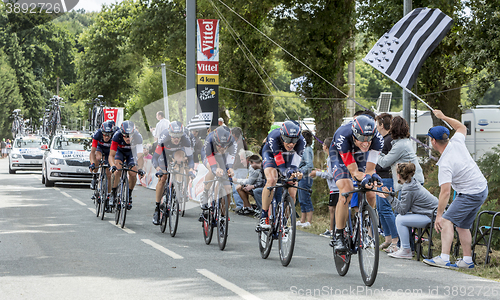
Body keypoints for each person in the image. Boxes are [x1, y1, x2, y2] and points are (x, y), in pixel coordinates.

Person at [423, 110, 488, 269]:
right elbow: (461, 127)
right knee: (462, 226)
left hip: (470, 193)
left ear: (433, 141)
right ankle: (467, 261)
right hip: (481, 188)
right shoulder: (456, 142)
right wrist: (444, 116)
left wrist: (439, 215)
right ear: (446, 137)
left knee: (446, 220)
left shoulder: (445, 163)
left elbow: (445, 192)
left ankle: (444, 258)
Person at [330, 114, 384, 252]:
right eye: (361, 139)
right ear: (354, 135)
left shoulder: (377, 139)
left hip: (360, 155)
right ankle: (339, 235)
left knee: (371, 192)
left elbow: (370, 170)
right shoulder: (343, 135)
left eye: (368, 139)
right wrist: (362, 176)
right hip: (340, 155)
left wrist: (373, 177)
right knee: (346, 190)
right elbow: (354, 172)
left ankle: (364, 226)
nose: (365, 143)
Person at [379, 162, 439, 259]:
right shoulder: (412, 183)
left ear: (398, 175)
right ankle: (406, 249)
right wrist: (390, 196)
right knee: (401, 218)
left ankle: (406, 250)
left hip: (431, 216)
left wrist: (389, 198)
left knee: (400, 219)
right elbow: (404, 207)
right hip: (432, 213)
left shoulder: (408, 188)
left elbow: (402, 210)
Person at [259, 120, 306, 229]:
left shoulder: (302, 141)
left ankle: (284, 223)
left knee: (293, 190)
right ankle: (264, 215)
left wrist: (295, 173)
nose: (291, 143)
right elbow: (280, 163)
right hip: (271, 154)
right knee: (272, 179)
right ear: (282, 135)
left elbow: (294, 165)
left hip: (288, 157)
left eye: (294, 140)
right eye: (288, 139)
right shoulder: (274, 136)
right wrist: (286, 171)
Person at [151, 121, 195, 225]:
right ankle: (157, 208)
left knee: (181, 160)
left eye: (178, 136)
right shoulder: (164, 137)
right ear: (170, 134)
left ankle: (178, 185)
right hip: (164, 154)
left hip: (177, 153)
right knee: (163, 178)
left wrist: (191, 170)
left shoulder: (186, 139)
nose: (176, 138)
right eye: (174, 136)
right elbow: (155, 157)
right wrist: (158, 169)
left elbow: (191, 158)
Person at [199, 126, 237, 216]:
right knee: (214, 169)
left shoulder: (232, 142)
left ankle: (221, 214)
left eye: (225, 147)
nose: (222, 149)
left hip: (222, 157)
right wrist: (215, 168)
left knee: (227, 188)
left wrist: (230, 169)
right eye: (220, 146)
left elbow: (230, 159)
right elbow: (210, 159)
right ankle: (205, 192)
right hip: (209, 154)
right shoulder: (210, 139)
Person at [374, 113, 399, 252]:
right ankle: (388, 238)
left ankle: (395, 240)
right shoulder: (383, 139)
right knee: (380, 209)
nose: (376, 127)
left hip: (387, 177)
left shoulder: (389, 140)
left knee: (386, 208)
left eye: (377, 124)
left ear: (382, 125)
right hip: (379, 177)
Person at [109, 121, 145, 210]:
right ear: (122, 133)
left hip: (131, 154)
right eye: (125, 136)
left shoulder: (138, 137)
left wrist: (140, 169)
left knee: (133, 173)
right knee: (117, 170)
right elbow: (111, 155)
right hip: (119, 152)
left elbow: (140, 155)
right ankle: (113, 192)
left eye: (130, 135)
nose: (128, 138)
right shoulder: (116, 135)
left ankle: (129, 194)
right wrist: (112, 165)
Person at [310, 137, 339, 238]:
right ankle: (335, 229)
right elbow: (329, 172)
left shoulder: (331, 158)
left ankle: (332, 230)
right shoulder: (332, 157)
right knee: (334, 209)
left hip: (335, 188)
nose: (322, 146)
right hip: (335, 187)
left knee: (332, 209)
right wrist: (321, 171)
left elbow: (331, 175)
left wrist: (317, 173)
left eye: (323, 145)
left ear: (326, 147)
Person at [89, 121, 116, 208]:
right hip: (100, 148)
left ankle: (108, 196)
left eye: (109, 135)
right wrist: (93, 164)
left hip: (110, 151)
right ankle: (95, 176)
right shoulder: (97, 134)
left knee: (109, 174)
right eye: (105, 134)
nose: (107, 137)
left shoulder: (116, 134)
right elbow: (92, 152)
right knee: (97, 158)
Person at [297, 130, 314, 228]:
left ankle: (309, 221)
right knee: (301, 199)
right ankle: (302, 220)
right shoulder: (303, 149)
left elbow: (309, 164)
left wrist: (301, 171)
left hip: (305, 177)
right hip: (301, 177)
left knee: (306, 198)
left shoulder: (307, 150)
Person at [230, 127, 249, 212]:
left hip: (239, 168)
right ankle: (244, 205)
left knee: (236, 188)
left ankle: (240, 205)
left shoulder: (238, 143)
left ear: (234, 135)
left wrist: (233, 167)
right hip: (243, 168)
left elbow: (237, 157)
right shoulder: (242, 141)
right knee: (242, 187)